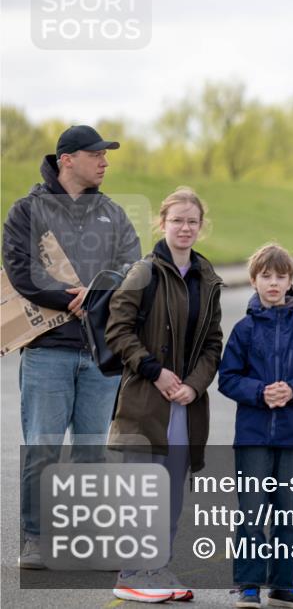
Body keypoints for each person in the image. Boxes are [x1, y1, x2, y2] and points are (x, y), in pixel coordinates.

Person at [2, 125, 141, 570]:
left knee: (90, 450)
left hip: (101, 353)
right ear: (66, 159)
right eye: (95, 154)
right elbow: (21, 271)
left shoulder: (113, 213)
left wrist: (97, 293)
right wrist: (69, 298)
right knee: (42, 446)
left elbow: (133, 267)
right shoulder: (27, 211)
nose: (104, 161)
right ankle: (35, 539)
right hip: (48, 351)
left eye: (105, 155)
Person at [105, 187, 224, 602]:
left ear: (201, 226)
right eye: (177, 220)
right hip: (145, 403)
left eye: (192, 221)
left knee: (171, 495)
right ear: (163, 223)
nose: (185, 228)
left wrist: (194, 384)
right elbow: (117, 332)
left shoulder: (208, 280)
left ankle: (157, 567)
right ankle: (131, 574)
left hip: (186, 408)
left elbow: (213, 343)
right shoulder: (144, 272)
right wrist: (155, 372)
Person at [218, 243, 293, 609]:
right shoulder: (244, 329)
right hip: (252, 436)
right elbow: (228, 378)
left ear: (290, 281)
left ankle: (283, 584)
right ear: (253, 281)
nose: (273, 283)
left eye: (280, 276)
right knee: (253, 511)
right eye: (265, 276)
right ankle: (248, 585)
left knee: (286, 511)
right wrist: (260, 392)